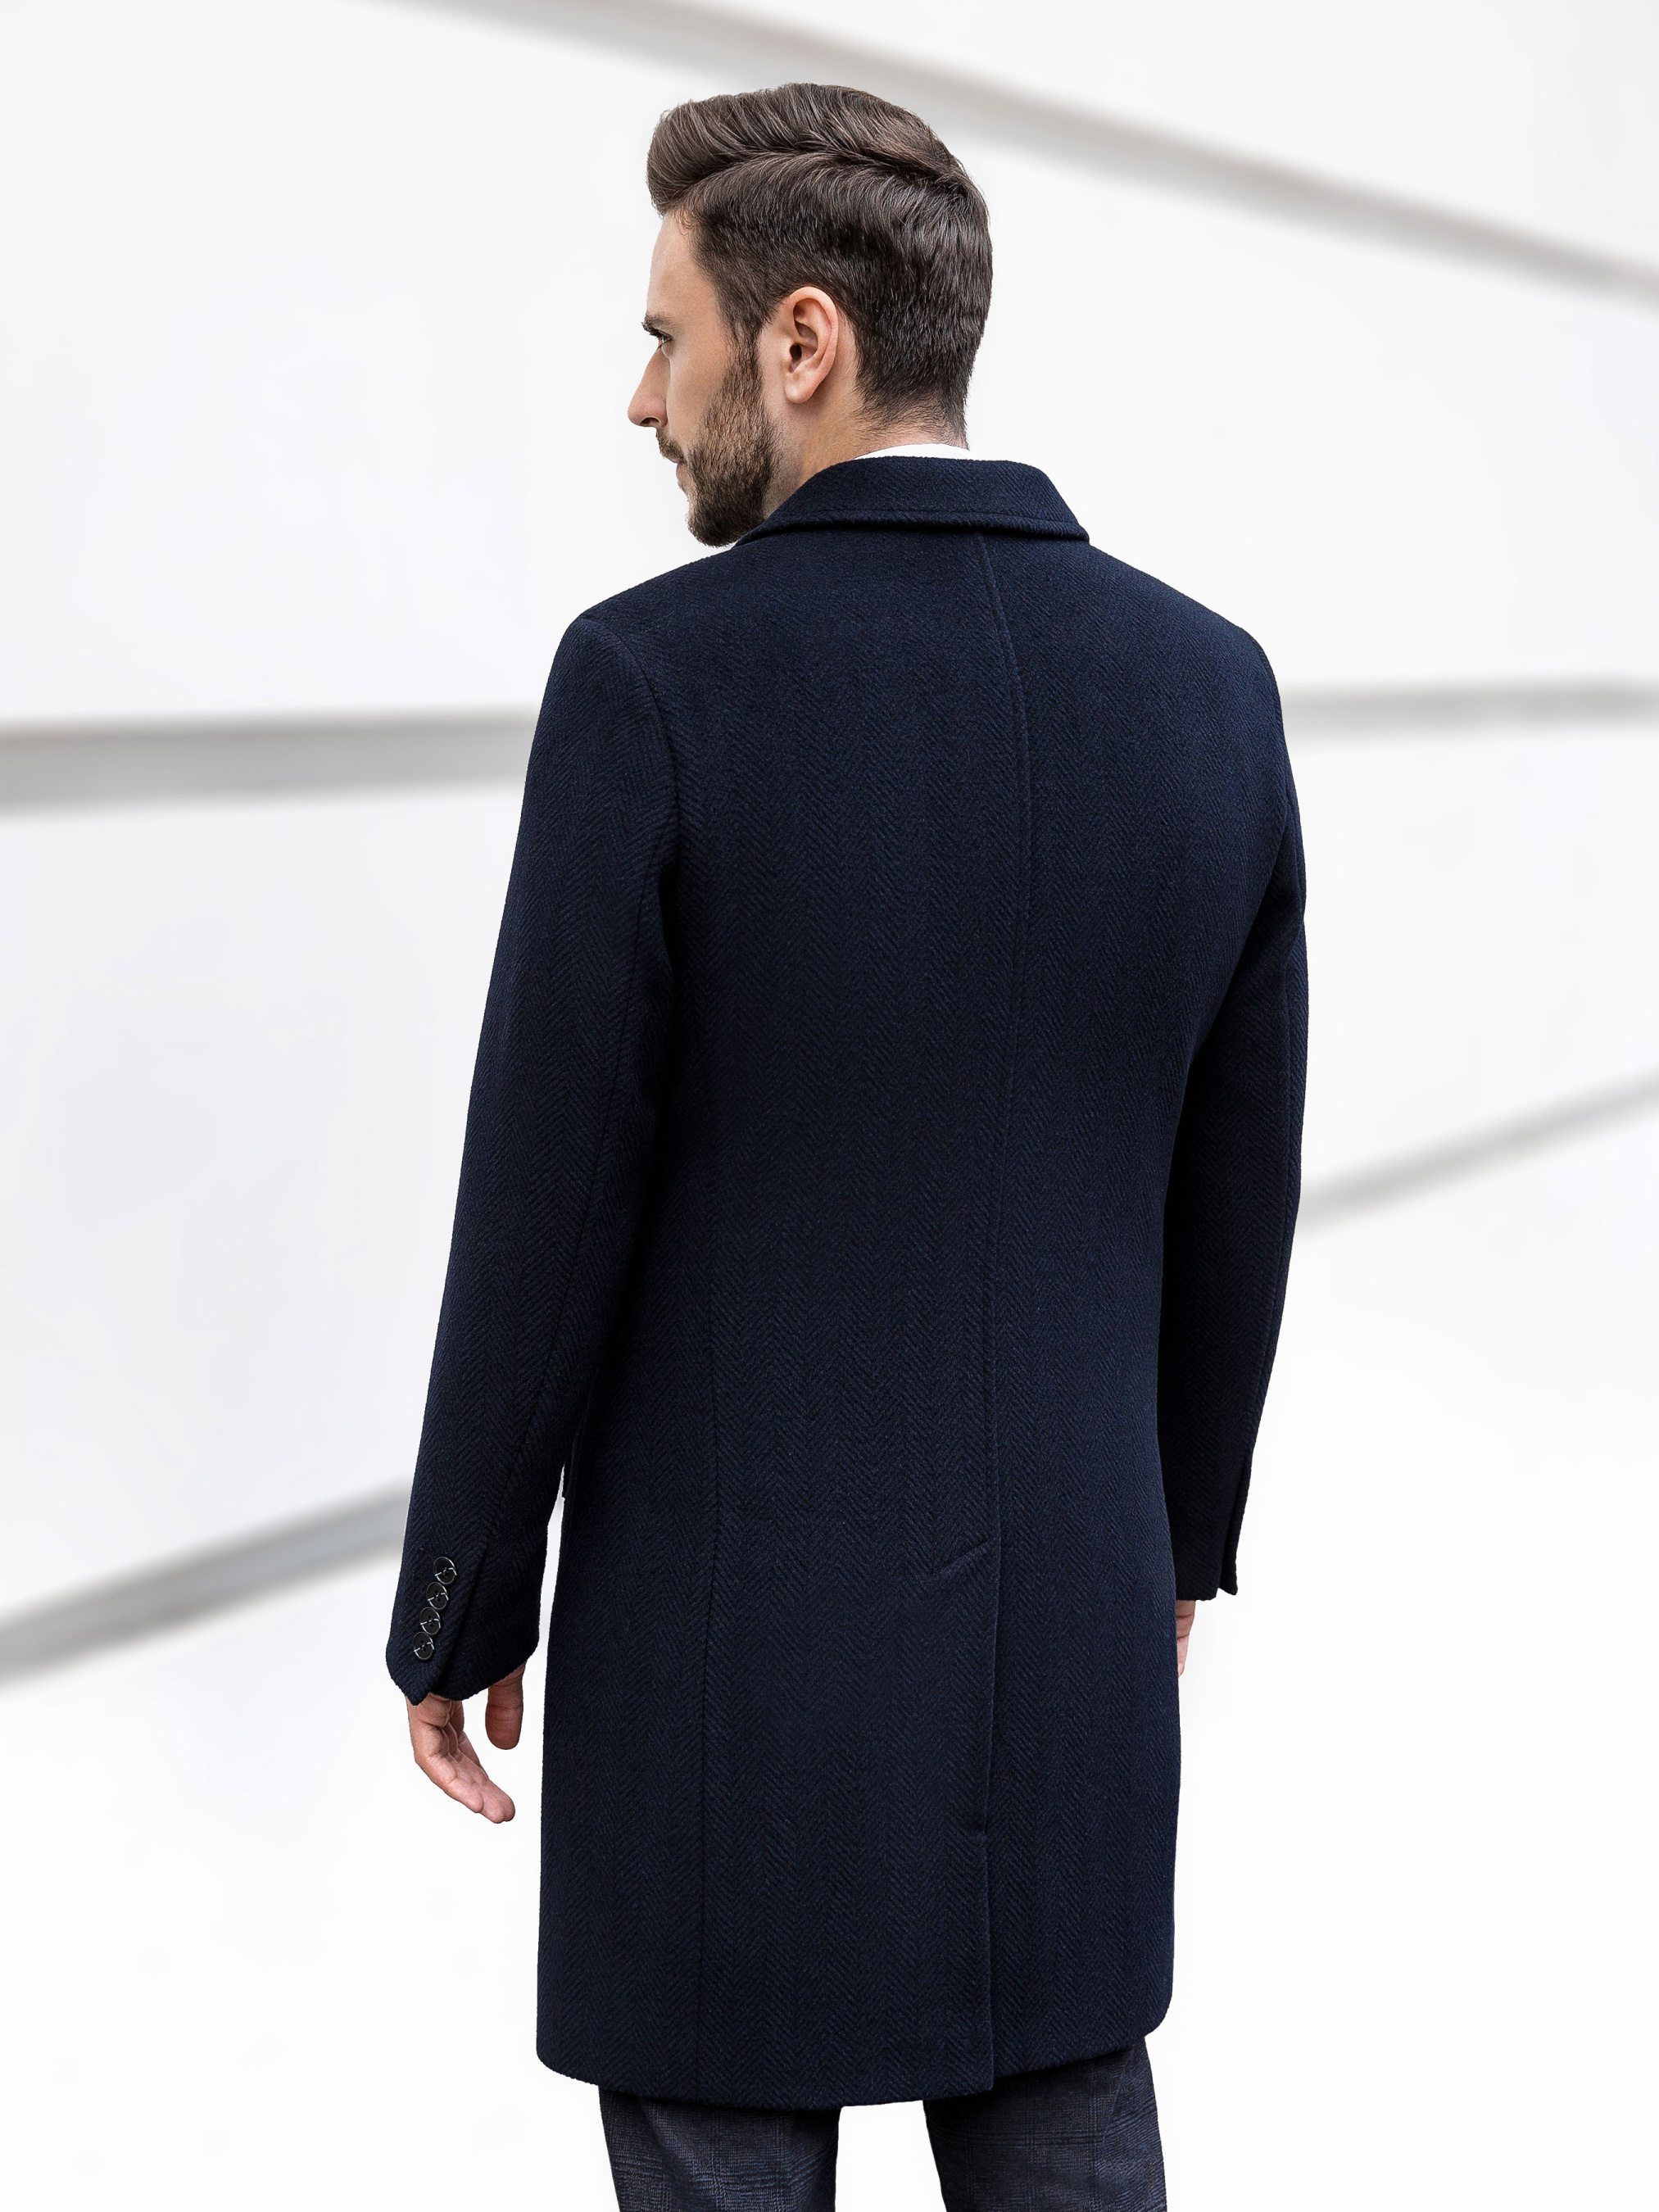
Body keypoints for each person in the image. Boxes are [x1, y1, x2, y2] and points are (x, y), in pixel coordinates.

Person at [388, 81, 1306, 2212]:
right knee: (1068, 2131)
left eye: (666, 337)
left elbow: (548, 1192)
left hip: (725, 1677)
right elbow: (1233, 1184)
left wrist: (463, 1592)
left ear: (800, 342)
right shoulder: (1210, 689)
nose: (642, 398)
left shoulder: (651, 681)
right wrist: (1172, 1546)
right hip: (1069, 1638)